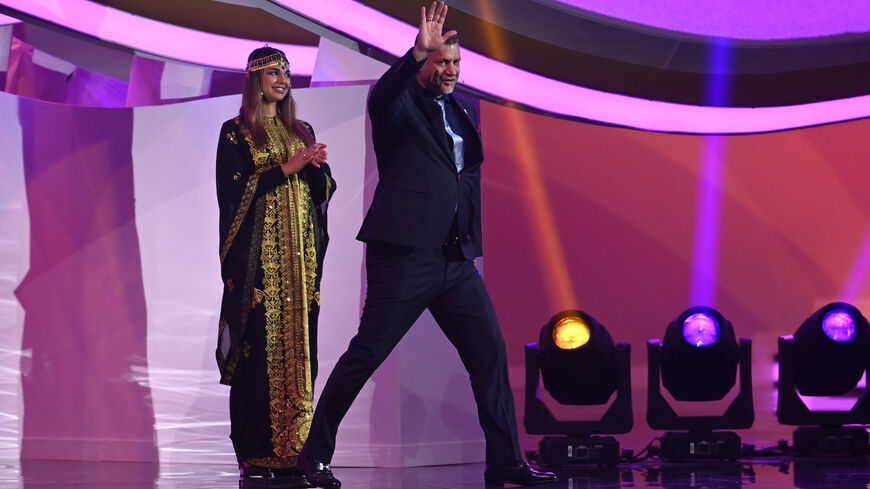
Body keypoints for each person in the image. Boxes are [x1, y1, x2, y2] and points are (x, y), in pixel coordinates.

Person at [296, 3, 556, 487]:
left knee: (490, 354)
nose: (451, 71)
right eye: (442, 63)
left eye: (455, 63)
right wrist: (416, 52)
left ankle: (505, 463)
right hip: (406, 255)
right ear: (424, 66)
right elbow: (384, 95)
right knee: (368, 352)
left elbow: (463, 177)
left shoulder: (462, 109)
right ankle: (314, 453)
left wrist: (471, 241)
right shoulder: (397, 108)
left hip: (455, 259)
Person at [215, 46, 336, 482]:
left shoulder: (301, 129)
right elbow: (233, 194)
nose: (283, 80)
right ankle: (255, 455)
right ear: (254, 80)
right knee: (256, 354)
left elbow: (323, 189)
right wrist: (289, 166)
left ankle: (299, 452)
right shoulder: (235, 133)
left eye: (287, 73)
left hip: (299, 271)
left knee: (301, 354)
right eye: (273, 73)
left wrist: (316, 169)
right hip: (259, 269)